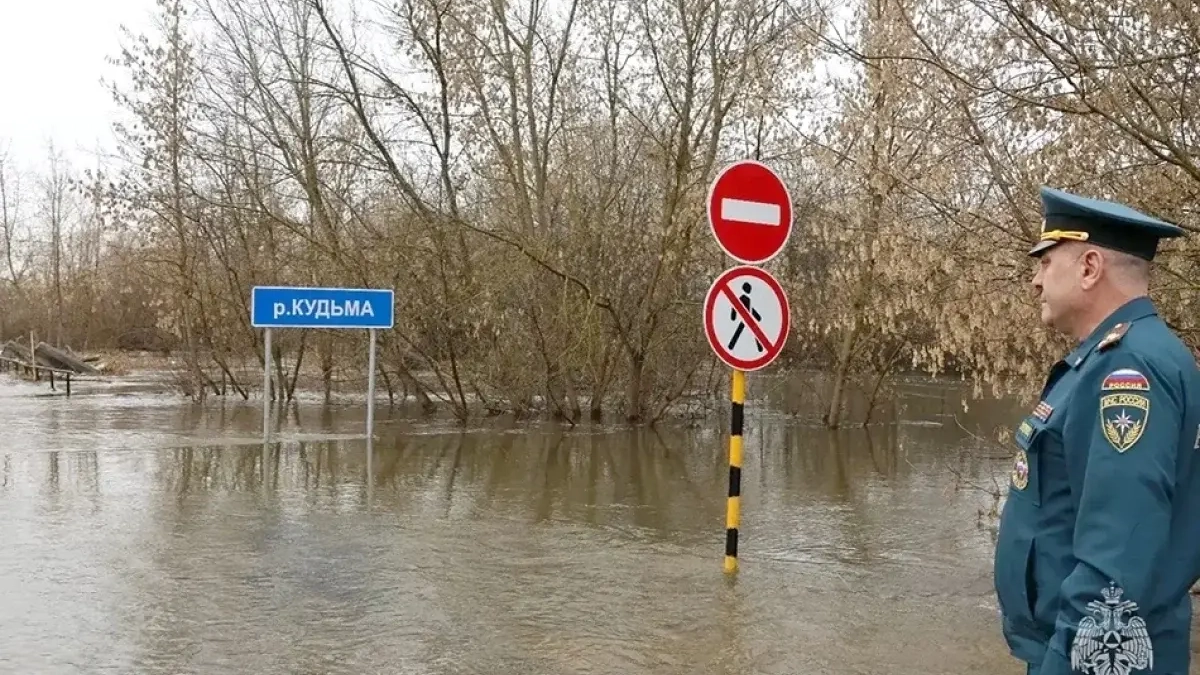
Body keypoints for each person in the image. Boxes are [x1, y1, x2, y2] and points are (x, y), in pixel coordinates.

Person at [994, 186, 1200, 675]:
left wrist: (1067, 662)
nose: (1035, 281)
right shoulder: (1119, 357)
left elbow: (1117, 559)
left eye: (1046, 262)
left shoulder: (1127, 371)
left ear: (1089, 267)